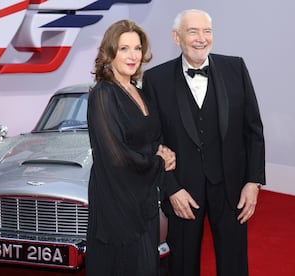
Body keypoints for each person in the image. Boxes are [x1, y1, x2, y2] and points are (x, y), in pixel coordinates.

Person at [142, 9, 266, 276]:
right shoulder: (155, 79)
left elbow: (253, 130)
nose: (201, 38)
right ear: (177, 37)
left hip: (232, 188)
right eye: (192, 31)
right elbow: (153, 141)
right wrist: (172, 189)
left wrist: (253, 182)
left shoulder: (236, 68)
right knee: (183, 265)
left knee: (234, 264)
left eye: (207, 31)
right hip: (183, 191)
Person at [85, 19, 176, 276]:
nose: (133, 55)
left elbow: (149, 137)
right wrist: (159, 161)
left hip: (143, 198)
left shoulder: (137, 90)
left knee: (146, 264)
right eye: (124, 48)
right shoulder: (103, 94)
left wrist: (161, 150)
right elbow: (116, 156)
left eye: (137, 48)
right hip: (117, 202)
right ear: (109, 52)